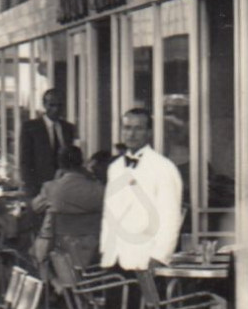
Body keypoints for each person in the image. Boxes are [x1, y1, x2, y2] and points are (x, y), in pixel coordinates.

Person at [99, 108, 182, 270]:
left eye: (138, 128)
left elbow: (171, 218)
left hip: (144, 260)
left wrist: (159, 257)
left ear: (149, 132)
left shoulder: (164, 168)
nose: (131, 134)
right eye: (127, 128)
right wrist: (105, 249)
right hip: (113, 259)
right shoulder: (114, 168)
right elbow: (109, 213)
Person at [32, 144, 105, 273]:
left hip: (62, 256)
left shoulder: (51, 188)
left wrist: (56, 180)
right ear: (81, 163)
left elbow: (35, 207)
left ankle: (55, 286)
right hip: (93, 256)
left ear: (60, 164)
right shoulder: (98, 189)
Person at [19, 88, 77, 198]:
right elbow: (25, 160)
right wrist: (30, 188)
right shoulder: (31, 127)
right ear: (44, 105)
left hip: (64, 186)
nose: (56, 109)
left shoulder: (68, 128)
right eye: (52, 105)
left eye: (59, 105)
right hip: (39, 186)